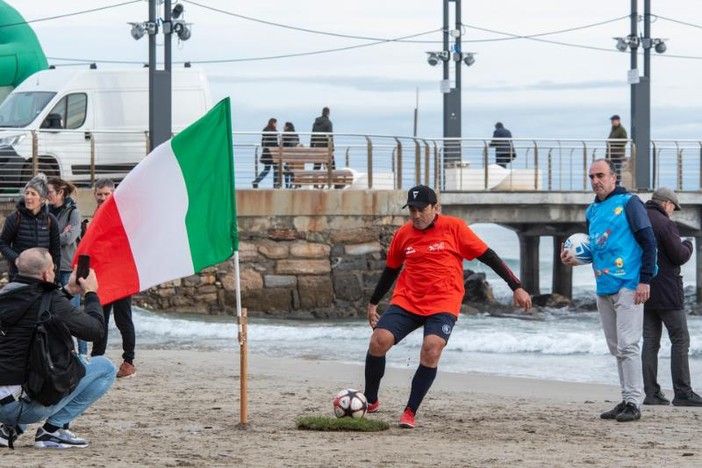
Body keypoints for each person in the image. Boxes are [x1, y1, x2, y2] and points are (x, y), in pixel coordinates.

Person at [364, 185, 532, 428]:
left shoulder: (455, 228)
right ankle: (370, 401)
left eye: (421, 210)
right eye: (412, 210)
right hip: (407, 300)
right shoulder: (403, 234)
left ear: (436, 208)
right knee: (378, 341)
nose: (416, 215)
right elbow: (391, 270)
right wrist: (373, 303)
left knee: (431, 348)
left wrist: (516, 286)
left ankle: (410, 411)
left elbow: (489, 256)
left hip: (443, 301)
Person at [561, 159, 656, 423]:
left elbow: (648, 240)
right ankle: (626, 398)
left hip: (630, 284)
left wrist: (645, 280)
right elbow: (599, 248)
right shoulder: (592, 210)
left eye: (600, 175)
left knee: (628, 345)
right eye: (591, 176)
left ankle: (634, 402)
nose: (595, 181)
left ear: (613, 177)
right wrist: (574, 258)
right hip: (604, 286)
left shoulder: (629, 202)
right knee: (616, 347)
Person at [0, 248, 115, 449]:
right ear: (46, 274)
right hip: (17, 408)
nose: (54, 273)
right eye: (53, 269)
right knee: (105, 368)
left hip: (7, 398)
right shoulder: (50, 299)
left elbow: (36, 308)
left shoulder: (6, 295)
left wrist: (68, 291)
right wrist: (91, 293)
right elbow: (95, 331)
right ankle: (51, 431)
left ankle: (9, 430)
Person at [641, 188, 702, 407]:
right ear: (666, 204)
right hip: (668, 292)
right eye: (673, 208)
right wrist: (688, 244)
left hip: (644, 290)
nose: (672, 212)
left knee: (650, 341)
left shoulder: (639, 219)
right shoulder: (665, 223)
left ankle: (651, 393)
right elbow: (679, 255)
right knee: (680, 339)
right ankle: (683, 392)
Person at [87, 179, 137, 379]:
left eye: (106, 194)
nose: (102, 198)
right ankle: (97, 358)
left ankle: (129, 362)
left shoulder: (122, 213)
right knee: (101, 319)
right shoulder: (97, 213)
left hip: (121, 276)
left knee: (123, 319)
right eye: (99, 194)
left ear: (114, 193)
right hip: (102, 275)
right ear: (95, 194)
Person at [47, 177, 87, 358]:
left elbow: (70, 238)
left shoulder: (73, 212)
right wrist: (57, 234)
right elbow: (42, 234)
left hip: (68, 269)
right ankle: (62, 354)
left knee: (73, 314)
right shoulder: (46, 211)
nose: (47, 196)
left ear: (60, 192)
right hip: (50, 269)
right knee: (51, 314)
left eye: (49, 192)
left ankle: (82, 354)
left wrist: (51, 235)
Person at [0, 173, 61, 281]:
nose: (28, 197)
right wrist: (17, 259)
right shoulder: (14, 218)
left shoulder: (51, 220)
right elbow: (3, 243)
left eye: (33, 194)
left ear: (42, 199)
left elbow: (56, 253)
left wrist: (55, 278)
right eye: (27, 193)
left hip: (43, 279)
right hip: (18, 277)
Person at [252, 118, 280, 189]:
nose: (277, 125)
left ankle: (256, 181)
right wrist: (278, 147)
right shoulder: (273, 132)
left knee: (267, 169)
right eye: (276, 123)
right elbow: (274, 143)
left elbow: (263, 143)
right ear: (273, 123)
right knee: (276, 169)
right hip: (273, 153)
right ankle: (275, 185)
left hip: (266, 153)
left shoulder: (265, 130)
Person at [310, 107, 335, 172]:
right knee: (332, 166)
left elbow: (312, 135)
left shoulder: (315, 123)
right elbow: (330, 137)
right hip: (326, 148)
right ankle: (331, 181)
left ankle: (314, 180)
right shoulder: (328, 123)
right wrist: (332, 149)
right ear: (328, 113)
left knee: (316, 166)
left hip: (317, 148)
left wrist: (311, 147)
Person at [607, 115, 628, 183]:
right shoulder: (613, 129)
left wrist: (614, 145)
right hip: (612, 154)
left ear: (618, 121)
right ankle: (613, 183)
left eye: (613, 121)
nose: (612, 122)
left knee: (617, 169)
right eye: (612, 121)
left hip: (618, 155)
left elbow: (624, 141)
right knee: (612, 169)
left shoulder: (621, 130)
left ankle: (617, 184)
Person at [281, 122, 300, 189]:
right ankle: (291, 184)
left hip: (287, 155)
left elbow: (282, 145)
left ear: (287, 127)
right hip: (294, 156)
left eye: (284, 126)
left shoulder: (284, 135)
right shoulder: (295, 134)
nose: (283, 127)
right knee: (292, 169)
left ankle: (287, 185)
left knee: (286, 169)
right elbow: (298, 144)